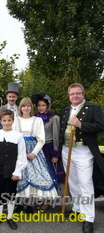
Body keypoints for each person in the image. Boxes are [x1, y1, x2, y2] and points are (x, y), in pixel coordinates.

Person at [59, 83, 104, 233]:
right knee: (73, 182)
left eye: (78, 93)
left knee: (85, 183)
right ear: (69, 96)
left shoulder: (93, 108)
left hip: (83, 150)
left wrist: (81, 124)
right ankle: (78, 209)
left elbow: (101, 126)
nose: (75, 96)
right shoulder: (65, 110)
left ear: (83, 94)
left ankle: (88, 218)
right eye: (72, 94)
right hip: (67, 149)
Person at [13, 97, 58, 213]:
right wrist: (20, 152)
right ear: (20, 108)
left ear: (31, 107)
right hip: (19, 149)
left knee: (34, 176)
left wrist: (33, 153)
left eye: (28, 106)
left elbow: (41, 139)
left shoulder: (37, 120)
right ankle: (19, 203)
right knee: (20, 175)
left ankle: (29, 204)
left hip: (34, 150)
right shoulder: (16, 120)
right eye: (23, 106)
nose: (26, 108)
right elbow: (13, 136)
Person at [0, 110, 27, 230]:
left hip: (12, 171)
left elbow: (21, 156)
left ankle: (10, 217)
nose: (7, 122)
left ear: (13, 121)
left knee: (11, 194)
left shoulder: (18, 136)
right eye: (4, 120)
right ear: (1, 121)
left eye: (9, 120)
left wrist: (17, 172)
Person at [32, 93, 65, 210]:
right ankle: (41, 199)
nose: (41, 107)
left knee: (51, 175)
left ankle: (49, 201)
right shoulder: (35, 117)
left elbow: (56, 136)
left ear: (47, 106)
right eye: (39, 105)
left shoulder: (54, 118)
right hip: (38, 148)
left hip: (49, 147)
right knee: (40, 175)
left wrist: (55, 153)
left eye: (43, 105)